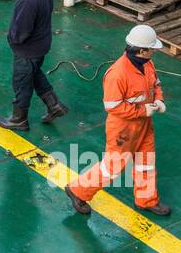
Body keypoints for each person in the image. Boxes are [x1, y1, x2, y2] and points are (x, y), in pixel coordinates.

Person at [65, 24, 172, 217]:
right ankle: (78, 190)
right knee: (112, 167)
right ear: (141, 50)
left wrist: (158, 99)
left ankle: (146, 200)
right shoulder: (118, 73)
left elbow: (156, 84)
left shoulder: (147, 64)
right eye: (152, 49)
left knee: (146, 162)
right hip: (123, 129)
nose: (154, 52)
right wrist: (143, 110)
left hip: (144, 125)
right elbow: (112, 106)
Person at [0, 0, 67, 131]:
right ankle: (54, 105)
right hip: (41, 44)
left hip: (27, 50)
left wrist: (13, 39)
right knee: (34, 74)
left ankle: (19, 119)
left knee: (22, 82)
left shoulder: (28, 0)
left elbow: (21, 31)